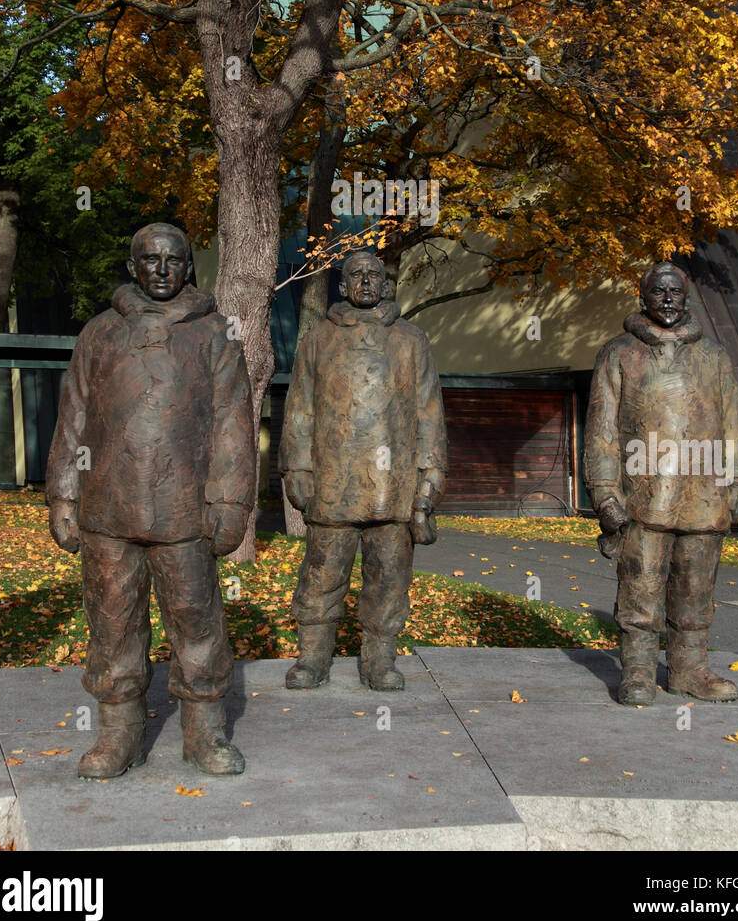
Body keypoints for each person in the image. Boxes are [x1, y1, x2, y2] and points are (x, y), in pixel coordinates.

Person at [45, 222, 256, 777]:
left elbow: (234, 422)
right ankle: (118, 736)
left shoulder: (216, 334)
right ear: (132, 264)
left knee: (196, 621)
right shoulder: (99, 333)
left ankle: (204, 733)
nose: (162, 270)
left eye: (173, 260)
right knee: (112, 622)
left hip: (185, 509)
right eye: (150, 259)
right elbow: (74, 417)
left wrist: (230, 501)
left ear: (188, 267)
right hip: (107, 508)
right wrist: (63, 494)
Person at [584, 260, 738, 706]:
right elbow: (601, 431)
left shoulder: (714, 355)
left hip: (704, 495)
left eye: (674, 291)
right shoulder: (619, 352)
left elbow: (734, 423)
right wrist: (604, 493)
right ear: (643, 297)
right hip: (644, 497)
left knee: (696, 590)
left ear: (686, 296)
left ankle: (689, 670)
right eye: (658, 291)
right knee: (640, 588)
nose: (667, 299)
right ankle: (638, 672)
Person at [280, 251, 447, 692]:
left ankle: (379, 660)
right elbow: (300, 408)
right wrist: (297, 466)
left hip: (393, 488)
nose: (367, 282)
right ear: (342, 285)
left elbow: (429, 414)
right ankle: (312, 659)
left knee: (389, 578)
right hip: (333, 483)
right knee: (321, 575)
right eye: (357, 275)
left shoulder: (412, 340)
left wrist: (428, 482)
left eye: (375, 275)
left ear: (386, 285)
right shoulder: (318, 338)